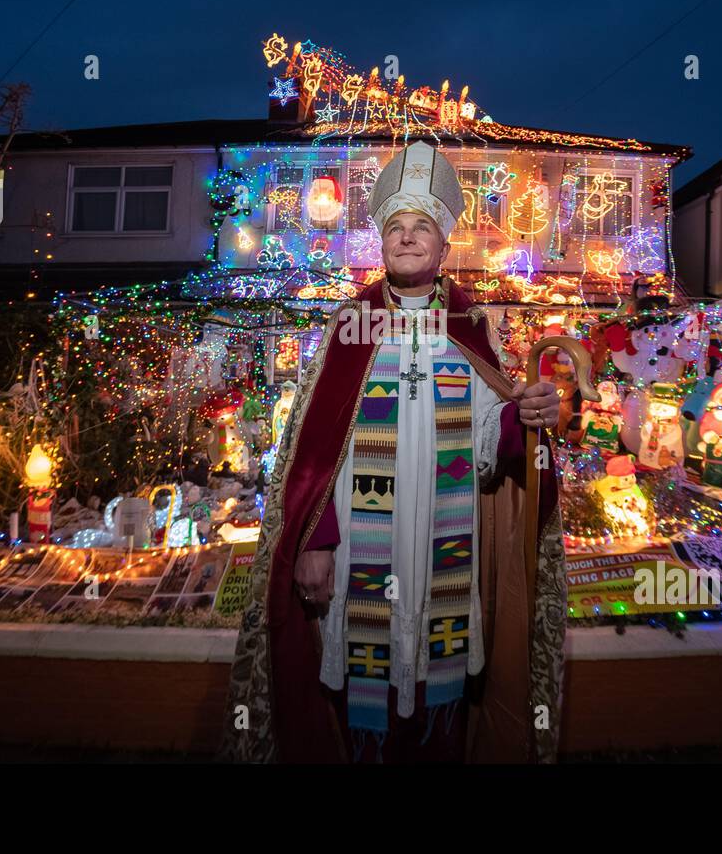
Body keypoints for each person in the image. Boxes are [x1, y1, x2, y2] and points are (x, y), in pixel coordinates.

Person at [221, 141, 566, 763]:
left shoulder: (471, 326)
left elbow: (492, 438)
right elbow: (314, 451)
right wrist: (316, 542)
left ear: (443, 243)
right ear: (381, 241)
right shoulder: (350, 328)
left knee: (442, 694)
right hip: (361, 545)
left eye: (422, 228)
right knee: (362, 693)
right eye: (396, 228)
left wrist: (527, 419)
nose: (407, 239)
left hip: (446, 545)